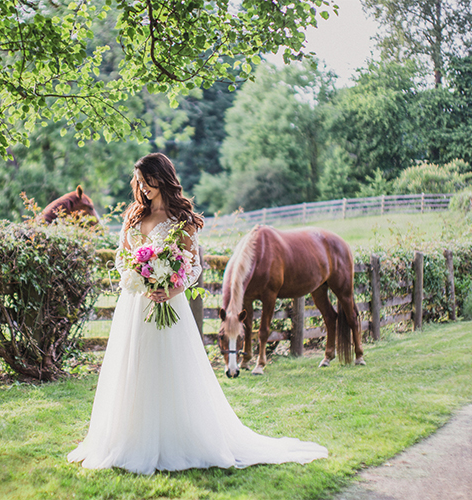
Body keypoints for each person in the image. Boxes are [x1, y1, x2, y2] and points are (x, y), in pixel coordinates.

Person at [67, 153, 328, 474]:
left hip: (168, 303)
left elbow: (193, 266)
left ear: (161, 178)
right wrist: (136, 277)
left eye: (147, 181)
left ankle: (176, 439)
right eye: (139, 182)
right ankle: (128, 438)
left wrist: (171, 289)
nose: (143, 188)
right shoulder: (133, 217)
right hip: (135, 303)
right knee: (131, 366)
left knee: (168, 368)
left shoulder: (183, 220)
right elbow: (122, 258)